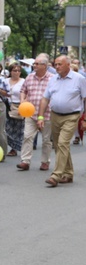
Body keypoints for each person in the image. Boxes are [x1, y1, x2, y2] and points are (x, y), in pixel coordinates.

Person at [38, 55, 86, 187]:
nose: (57, 67)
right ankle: (68, 173)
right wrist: (41, 116)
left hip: (72, 116)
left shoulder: (79, 79)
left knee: (63, 143)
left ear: (68, 65)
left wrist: (85, 119)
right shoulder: (53, 79)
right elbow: (45, 99)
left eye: (60, 64)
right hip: (55, 115)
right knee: (59, 145)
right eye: (56, 64)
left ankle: (56, 175)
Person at [17, 53, 53, 172]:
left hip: (47, 114)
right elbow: (23, 90)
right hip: (30, 113)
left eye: (37, 64)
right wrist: (22, 101)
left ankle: (45, 161)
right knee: (27, 136)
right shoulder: (29, 77)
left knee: (46, 140)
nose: (34, 65)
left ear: (45, 66)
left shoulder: (52, 78)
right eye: (34, 63)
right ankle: (25, 161)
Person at [4, 62, 27, 157]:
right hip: (6, 105)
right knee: (7, 128)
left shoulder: (23, 81)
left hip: (19, 106)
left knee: (18, 128)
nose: (16, 72)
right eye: (14, 70)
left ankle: (15, 148)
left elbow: (27, 93)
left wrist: (23, 105)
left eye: (18, 71)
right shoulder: (5, 81)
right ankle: (10, 145)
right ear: (10, 72)